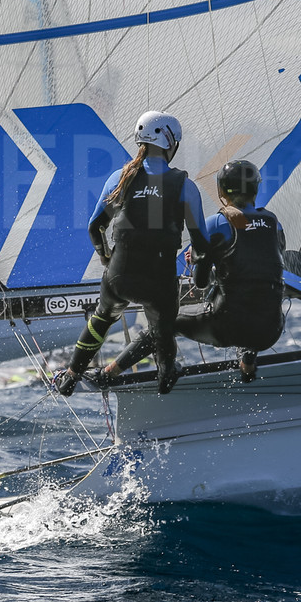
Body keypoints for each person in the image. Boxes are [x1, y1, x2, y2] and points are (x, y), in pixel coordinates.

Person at [54, 111, 207, 396]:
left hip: (118, 277)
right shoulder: (185, 186)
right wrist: (200, 270)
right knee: (162, 330)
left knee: (101, 319)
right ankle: (165, 377)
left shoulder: (120, 178)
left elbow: (95, 227)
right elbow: (201, 242)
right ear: (169, 142)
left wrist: (105, 257)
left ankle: (71, 375)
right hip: (158, 282)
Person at [98, 160, 285, 384]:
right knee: (256, 300)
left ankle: (108, 373)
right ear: (256, 188)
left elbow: (201, 282)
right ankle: (248, 362)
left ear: (222, 191)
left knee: (165, 323)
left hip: (228, 327)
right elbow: (264, 264)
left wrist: (202, 261)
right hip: (271, 330)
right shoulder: (274, 222)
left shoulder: (217, 223)